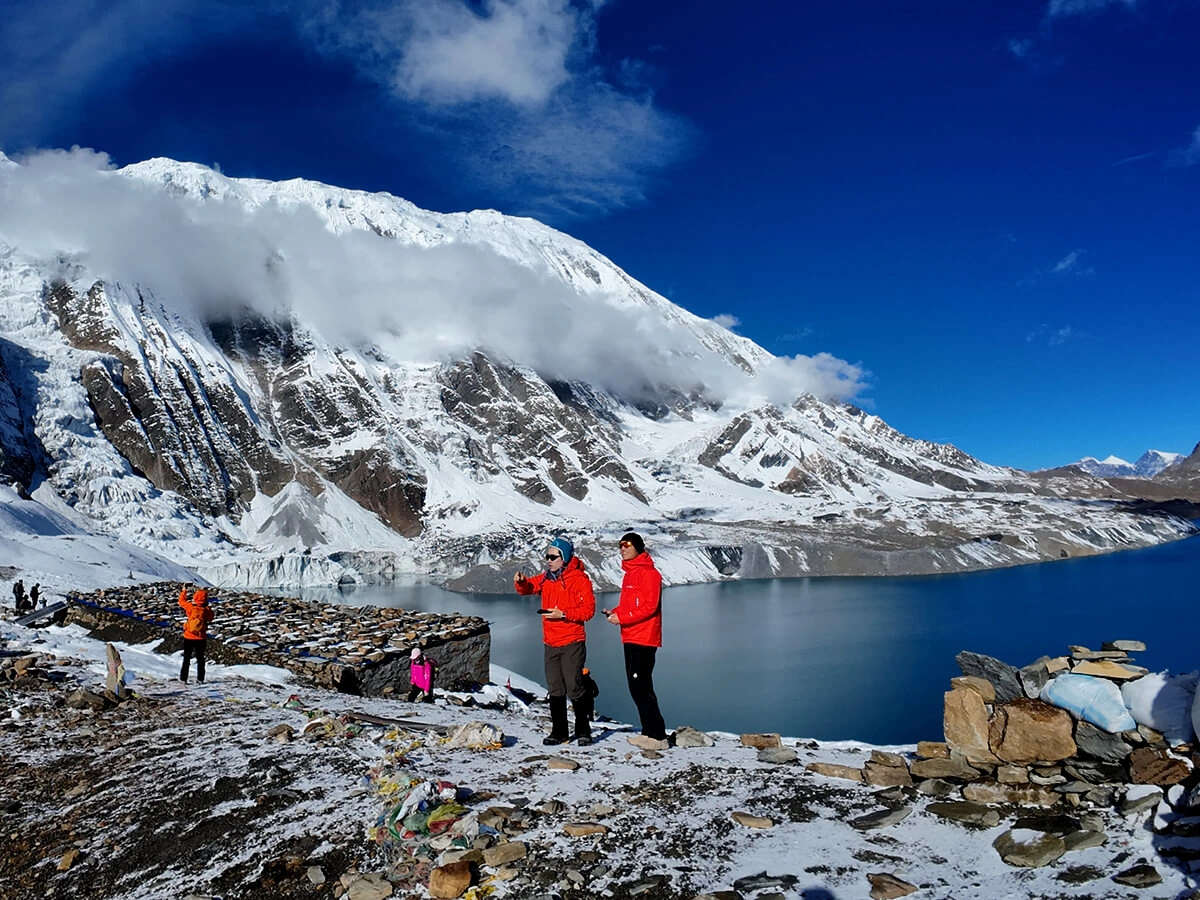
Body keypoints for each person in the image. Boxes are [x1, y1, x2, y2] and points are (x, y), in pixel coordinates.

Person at [514, 537, 596, 746]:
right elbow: (528, 588)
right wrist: (521, 582)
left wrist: (563, 614)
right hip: (550, 642)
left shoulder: (580, 579)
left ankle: (583, 730)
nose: (548, 560)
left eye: (553, 557)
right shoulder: (546, 578)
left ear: (564, 558)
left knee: (574, 686)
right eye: (547, 557)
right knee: (555, 688)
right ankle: (559, 732)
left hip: (572, 641)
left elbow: (588, 611)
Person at [604, 532, 668, 745]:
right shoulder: (630, 574)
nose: (622, 548)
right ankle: (648, 732)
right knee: (636, 686)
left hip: (644, 638)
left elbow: (650, 607)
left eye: (627, 544)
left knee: (641, 686)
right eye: (620, 545)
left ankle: (658, 736)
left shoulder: (649, 574)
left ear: (638, 548)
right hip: (630, 636)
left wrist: (621, 617)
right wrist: (615, 612)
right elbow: (630, 605)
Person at [178, 583, 214, 684]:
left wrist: (184, 591)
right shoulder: (206, 610)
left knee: (186, 658)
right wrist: (207, 607)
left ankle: (183, 679)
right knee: (200, 659)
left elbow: (181, 601)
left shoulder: (191, 607)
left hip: (188, 636)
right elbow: (211, 617)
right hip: (201, 637)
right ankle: (200, 679)